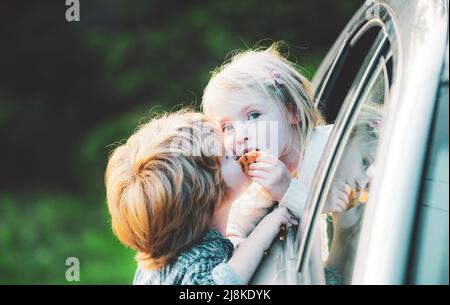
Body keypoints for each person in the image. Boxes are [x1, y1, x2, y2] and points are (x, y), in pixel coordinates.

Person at [104, 110, 297, 284]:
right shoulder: (200, 260)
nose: (235, 145)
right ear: (207, 199)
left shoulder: (155, 263)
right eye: (226, 157)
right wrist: (263, 233)